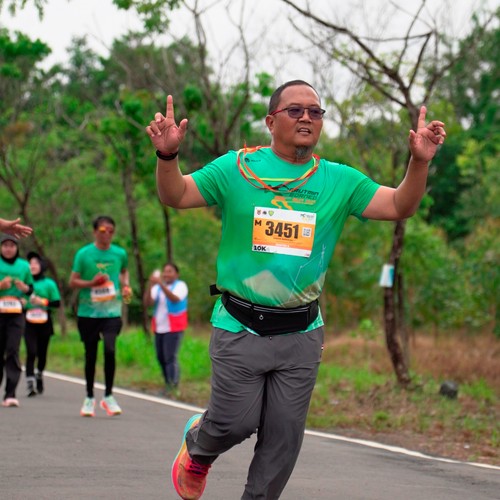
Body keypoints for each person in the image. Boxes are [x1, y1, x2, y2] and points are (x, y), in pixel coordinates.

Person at [145, 80, 446, 500]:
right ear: (271, 122)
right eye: (295, 110)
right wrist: (167, 156)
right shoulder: (235, 169)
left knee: (283, 438)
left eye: (315, 111)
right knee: (233, 423)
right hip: (239, 324)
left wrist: (419, 162)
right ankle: (200, 447)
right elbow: (175, 194)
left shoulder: (338, 180)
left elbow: (400, 205)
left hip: (301, 332)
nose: (307, 117)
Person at [69, 215, 131, 417]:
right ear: (95, 231)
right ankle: (89, 397)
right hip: (88, 312)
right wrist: (91, 284)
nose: (107, 235)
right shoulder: (83, 254)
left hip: (112, 312)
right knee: (91, 354)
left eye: (111, 231)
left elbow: (124, 272)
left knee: (110, 349)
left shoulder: (120, 253)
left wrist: (126, 285)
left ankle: (108, 395)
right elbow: (73, 281)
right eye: (103, 231)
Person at [144, 263, 188, 393]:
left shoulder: (181, 286)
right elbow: (147, 303)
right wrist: (150, 285)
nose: (166, 274)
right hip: (159, 327)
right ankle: (167, 384)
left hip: (174, 327)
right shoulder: (157, 288)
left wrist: (160, 284)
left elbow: (174, 299)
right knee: (161, 357)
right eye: (165, 271)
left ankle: (172, 386)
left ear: (177, 274)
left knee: (170, 357)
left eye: (170, 271)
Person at [0, 234, 33, 407]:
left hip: (16, 314)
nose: (8, 248)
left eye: (11, 245)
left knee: (13, 350)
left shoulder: (24, 266)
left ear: (17, 248)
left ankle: (10, 393)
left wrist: (24, 289)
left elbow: (30, 289)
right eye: (5, 245)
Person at [23, 251, 61, 397]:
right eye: (30, 263)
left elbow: (56, 303)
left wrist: (42, 302)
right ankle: (30, 383)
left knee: (42, 353)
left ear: (42, 266)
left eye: (35, 263)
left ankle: (39, 373)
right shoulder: (24, 284)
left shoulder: (49, 284)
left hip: (45, 322)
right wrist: (23, 303)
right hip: (28, 322)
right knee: (31, 352)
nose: (32, 266)